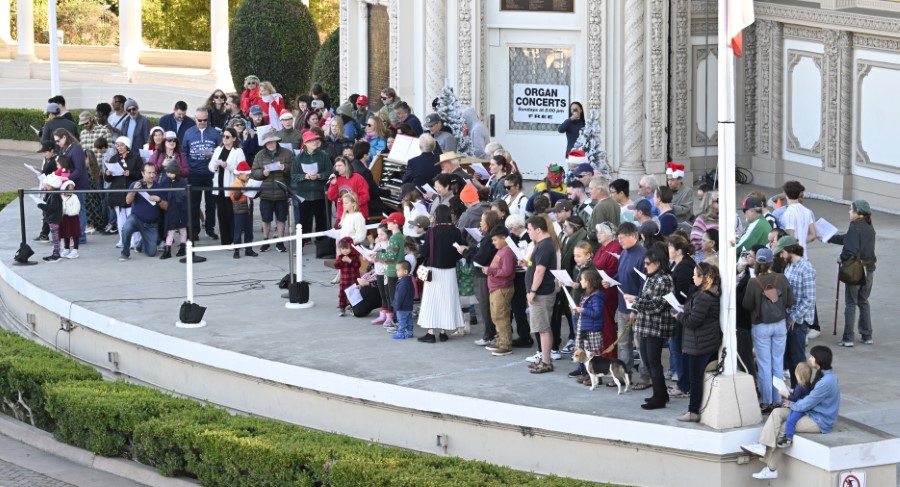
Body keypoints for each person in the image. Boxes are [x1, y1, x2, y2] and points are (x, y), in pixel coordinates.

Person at [742, 346, 840, 480]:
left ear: (819, 360)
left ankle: (771, 468)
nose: (809, 358)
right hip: (810, 411)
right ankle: (762, 445)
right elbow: (809, 396)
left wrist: (791, 402)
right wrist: (793, 394)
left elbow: (807, 403)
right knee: (777, 413)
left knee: (784, 427)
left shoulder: (826, 382)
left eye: (812, 356)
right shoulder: (823, 373)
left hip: (819, 420)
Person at [623, 243, 675, 410]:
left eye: (647, 263)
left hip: (656, 327)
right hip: (645, 326)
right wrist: (635, 308)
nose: (645, 267)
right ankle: (660, 394)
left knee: (654, 362)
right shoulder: (651, 278)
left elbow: (658, 305)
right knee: (647, 360)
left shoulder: (664, 279)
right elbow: (646, 299)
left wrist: (635, 301)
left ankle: (659, 398)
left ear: (657, 262)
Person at [742, 247, 794, 414]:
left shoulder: (753, 282)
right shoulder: (782, 278)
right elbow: (789, 301)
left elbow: (747, 305)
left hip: (761, 325)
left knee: (764, 365)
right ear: (772, 262)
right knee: (777, 364)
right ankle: (778, 399)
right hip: (779, 324)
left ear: (757, 262)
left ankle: (766, 402)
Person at [673, 261, 722, 422]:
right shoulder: (709, 293)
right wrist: (685, 309)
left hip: (699, 343)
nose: (692, 277)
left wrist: (679, 315)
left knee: (695, 379)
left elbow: (694, 321)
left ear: (703, 277)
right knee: (697, 378)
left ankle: (693, 411)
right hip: (705, 341)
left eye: (695, 275)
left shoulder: (703, 295)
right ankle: (694, 408)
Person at [601, 222, 647, 387]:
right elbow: (623, 275)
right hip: (622, 305)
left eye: (622, 238)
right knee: (623, 343)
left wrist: (636, 308)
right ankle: (623, 374)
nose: (619, 241)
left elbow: (645, 284)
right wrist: (612, 283)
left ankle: (644, 376)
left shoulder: (643, 255)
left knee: (640, 344)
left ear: (633, 236)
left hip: (636, 308)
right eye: (618, 238)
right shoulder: (625, 253)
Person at [826, 200, 876, 347]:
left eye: (850, 210)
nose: (849, 212)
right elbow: (847, 239)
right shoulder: (868, 225)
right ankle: (867, 335)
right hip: (869, 269)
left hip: (856, 270)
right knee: (863, 301)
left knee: (850, 303)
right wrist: (828, 238)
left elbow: (850, 249)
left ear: (857, 212)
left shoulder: (855, 225)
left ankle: (848, 338)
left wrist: (841, 258)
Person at [417, 205, 466, 342]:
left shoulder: (432, 232)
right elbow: (460, 252)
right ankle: (444, 332)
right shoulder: (456, 232)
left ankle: (431, 333)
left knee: (431, 301)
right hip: (450, 271)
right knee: (447, 301)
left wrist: (421, 246)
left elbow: (424, 252)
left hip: (434, 271)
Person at [776, 235, 816, 387]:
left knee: (798, 359)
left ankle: (802, 390)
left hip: (799, 321)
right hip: (789, 318)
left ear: (790, 250)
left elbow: (809, 299)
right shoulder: (789, 266)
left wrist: (793, 317)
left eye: (782, 252)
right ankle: (795, 390)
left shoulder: (806, 268)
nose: (780, 255)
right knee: (791, 359)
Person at [524, 216, 559, 374]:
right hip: (542, 292)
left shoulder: (544, 246)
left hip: (542, 293)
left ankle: (546, 362)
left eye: (530, 229)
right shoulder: (542, 245)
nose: (528, 232)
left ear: (538, 230)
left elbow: (540, 270)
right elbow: (535, 266)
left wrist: (532, 291)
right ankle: (545, 358)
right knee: (543, 327)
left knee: (543, 328)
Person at [252, 128, 293, 252]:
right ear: (264, 144)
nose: (271, 144)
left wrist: (285, 167)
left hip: (282, 192)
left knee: (281, 219)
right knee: (266, 219)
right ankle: (266, 241)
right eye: (268, 142)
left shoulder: (287, 153)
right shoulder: (259, 155)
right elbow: (253, 172)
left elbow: (294, 169)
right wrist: (263, 173)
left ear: (276, 142)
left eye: (273, 142)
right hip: (266, 192)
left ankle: (280, 242)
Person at [182, 107, 221, 240]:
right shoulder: (188, 133)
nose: (202, 123)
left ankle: (210, 229)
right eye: (199, 120)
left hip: (211, 173)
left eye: (205, 120)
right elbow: (184, 151)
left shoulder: (215, 133)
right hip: (194, 173)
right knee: (194, 204)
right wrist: (188, 165)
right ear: (195, 119)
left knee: (211, 204)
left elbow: (221, 150)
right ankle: (194, 231)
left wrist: (214, 155)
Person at [665, 234, 697, 398]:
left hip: (681, 313)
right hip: (676, 311)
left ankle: (684, 385)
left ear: (678, 250)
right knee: (676, 348)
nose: (668, 250)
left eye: (670, 247)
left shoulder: (685, 266)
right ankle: (683, 382)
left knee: (678, 349)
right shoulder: (678, 264)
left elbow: (684, 292)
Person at [119, 163, 168, 260]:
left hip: (151, 224)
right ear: (142, 173)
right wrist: (134, 190)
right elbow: (128, 201)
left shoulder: (159, 186)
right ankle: (125, 253)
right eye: (149, 173)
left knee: (152, 253)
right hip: (136, 218)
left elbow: (166, 207)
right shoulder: (135, 184)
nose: (152, 175)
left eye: (153, 173)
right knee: (126, 228)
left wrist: (159, 200)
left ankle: (141, 243)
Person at [105, 136, 143, 249]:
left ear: (127, 146)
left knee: (131, 217)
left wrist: (130, 173)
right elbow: (108, 180)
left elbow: (141, 174)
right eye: (117, 145)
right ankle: (122, 239)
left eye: (122, 145)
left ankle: (134, 239)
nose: (119, 147)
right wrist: (107, 174)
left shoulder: (136, 158)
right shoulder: (113, 158)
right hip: (117, 192)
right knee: (120, 218)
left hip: (130, 190)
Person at [53, 128, 90, 243]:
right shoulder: (67, 149)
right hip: (71, 184)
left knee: (78, 209)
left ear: (65, 137)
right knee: (74, 210)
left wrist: (66, 178)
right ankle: (77, 235)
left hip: (77, 184)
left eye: (58, 140)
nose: (57, 143)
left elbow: (79, 170)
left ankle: (81, 236)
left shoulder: (76, 149)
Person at [209, 128, 244, 246]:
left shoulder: (238, 151)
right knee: (221, 215)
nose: (224, 138)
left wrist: (227, 166)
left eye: (228, 137)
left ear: (234, 138)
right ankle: (225, 241)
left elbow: (241, 170)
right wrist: (214, 167)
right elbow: (210, 165)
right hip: (219, 187)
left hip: (231, 188)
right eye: (223, 136)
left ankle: (235, 240)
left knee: (231, 215)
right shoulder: (218, 149)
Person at [484, 225, 516, 356]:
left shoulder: (507, 252)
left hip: (502, 288)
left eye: (495, 240)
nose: (493, 243)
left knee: (501, 316)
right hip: (496, 288)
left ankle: (505, 344)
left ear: (504, 238)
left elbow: (507, 271)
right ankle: (499, 340)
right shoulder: (502, 250)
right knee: (495, 316)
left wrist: (490, 270)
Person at [570, 268, 607, 380]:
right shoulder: (585, 295)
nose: (580, 281)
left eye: (582, 279)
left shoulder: (596, 297)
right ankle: (589, 375)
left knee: (594, 354)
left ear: (589, 281)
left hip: (592, 330)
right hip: (584, 329)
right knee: (586, 352)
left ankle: (597, 377)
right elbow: (583, 312)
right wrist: (576, 310)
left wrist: (583, 310)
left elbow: (597, 313)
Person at [592, 222, 621, 360]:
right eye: (598, 232)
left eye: (601, 232)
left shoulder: (615, 247)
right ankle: (601, 357)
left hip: (608, 292)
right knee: (601, 327)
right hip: (599, 290)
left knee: (607, 327)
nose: (598, 235)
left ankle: (609, 359)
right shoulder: (602, 248)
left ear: (610, 234)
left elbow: (614, 270)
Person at [375, 212, 406, 331]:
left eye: (389, 221)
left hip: (392, 271)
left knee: (393, 298)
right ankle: (399, 321)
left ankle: (398, 323)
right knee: (395, 297)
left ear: (395, 224)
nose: (387, 223)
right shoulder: (400, 236)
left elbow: (390, 256)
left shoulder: (393, 238)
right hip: (397, 270)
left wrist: (377, 255)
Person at [158, 160, 188, 259]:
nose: (169, 174)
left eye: (171, 172)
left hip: (181, 209)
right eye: (167, 172)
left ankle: (183, 247)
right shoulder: (165, 181)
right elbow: (162, 192)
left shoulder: (183, 182)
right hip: (171, 209)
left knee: (182, 228)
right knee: (170, 229)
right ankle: (168, 249)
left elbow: (185, 195)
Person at [778, 362, 813, 447]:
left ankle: (788, 439)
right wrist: (790, 390)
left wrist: (784, 394)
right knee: (790, 419)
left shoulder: (799, 386)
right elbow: (800, 394)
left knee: (790, 421)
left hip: (800, 408)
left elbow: (794, 398)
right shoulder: (808, 384)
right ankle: (787, 437)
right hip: (804, 406)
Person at [326, 155, 370, 221]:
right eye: (336, 166)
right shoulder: (336, 179)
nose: (337, 168)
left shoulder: (358, 178)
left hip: (357, 215)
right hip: (342, 216)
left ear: (346, 166)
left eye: (339, 165)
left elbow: (365, 196)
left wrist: (351, 205)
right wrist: (333, 184)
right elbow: (332, 197)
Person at [229, 160, 257, 258]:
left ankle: (248, 249)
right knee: (238, 231)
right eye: (246, 175)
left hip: (249, 209)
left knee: (249, 230)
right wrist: (241, 191)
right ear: (240, 174)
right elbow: (233, 197)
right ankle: (236, 251)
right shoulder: (234, 185)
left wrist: (257, 191)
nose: (248, 177)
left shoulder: (248, 183)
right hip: (239, 210)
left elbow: (252, 196)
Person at [37, 174, 64, 262]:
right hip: (54, 219)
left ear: (51, 186)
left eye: (47, 185)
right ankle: (56, 253)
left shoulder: (54, 195)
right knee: (55, 238)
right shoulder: (54, 193)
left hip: (54, 219)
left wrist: (41, 206)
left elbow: (53, 208)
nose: (45, 186)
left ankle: (56, 255)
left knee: (55, 238)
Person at [335, 237, 362, 316]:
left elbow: (357, 265)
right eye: (343, 249)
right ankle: (342, 308)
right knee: (342, 295)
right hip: (344, 281)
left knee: (354, 295)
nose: (345, 250)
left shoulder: (354, 256)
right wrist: (341, 261)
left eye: (347, 248)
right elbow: (336, 266)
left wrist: (350, 261)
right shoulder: (340, 257)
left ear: (351, 248)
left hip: (353, 280)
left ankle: (353, 308)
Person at [390, 261, 415, 339]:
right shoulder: (409, 281)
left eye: (398, 270)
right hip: (409, 306)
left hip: (402, 307)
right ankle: (410, 332)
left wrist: (396, 305)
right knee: (409, 320)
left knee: (401, 320)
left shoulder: (403, 283)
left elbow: (399, 296)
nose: (396, 272)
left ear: (405, 271)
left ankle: (401, 333)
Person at [58, 180, 82, 259]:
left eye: (72, 189)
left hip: (73, 218)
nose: (71, 191)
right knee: (65, 234)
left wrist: (66, 210)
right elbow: (61, 208)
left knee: (75, 234)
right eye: (69, 188)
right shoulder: (62, 197)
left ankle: (75, 250)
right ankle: (66, 248)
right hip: (64, 218)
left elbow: (76, 208)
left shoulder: (74, 197)